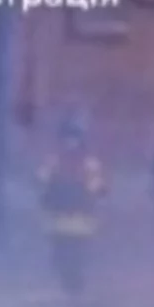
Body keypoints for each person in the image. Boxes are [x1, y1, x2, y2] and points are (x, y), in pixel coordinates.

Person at [37, 118, 106, 297]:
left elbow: (97, 187)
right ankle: (70, 286)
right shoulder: (53, 161)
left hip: (81, 219)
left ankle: (75, 287)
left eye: (73, 137)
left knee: (76, 257)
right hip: (58, 219)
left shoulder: (89, 163)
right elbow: (42, 181)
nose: (70, 142)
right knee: (61, 255)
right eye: (67, 137)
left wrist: (88, 195)